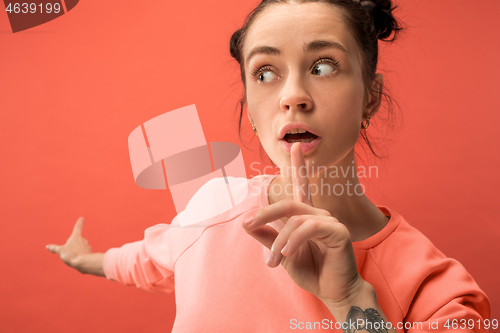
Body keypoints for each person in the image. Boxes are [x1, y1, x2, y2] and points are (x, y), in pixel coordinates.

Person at [47, 0, 492, 332]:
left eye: (323, 66)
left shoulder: (438, 295)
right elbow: (144, 260)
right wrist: (82, 258)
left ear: (370, 96)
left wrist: (353, 302)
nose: (292, 95)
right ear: (253, 114)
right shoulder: (212, 209)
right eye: (265, 73)